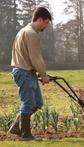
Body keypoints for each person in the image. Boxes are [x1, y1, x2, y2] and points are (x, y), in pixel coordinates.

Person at [9, 7, 52, 140]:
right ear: (39, 19)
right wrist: (43, 74)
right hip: (24, 72)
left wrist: (38, 72)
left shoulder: (23, 31)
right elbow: (36, 58)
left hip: (26, 72)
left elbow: (28, 56)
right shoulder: (32, 34)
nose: (45, 26)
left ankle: (17, 126)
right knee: (28, 103)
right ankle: (25, 134)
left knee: (37, 102)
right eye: (45, 23)